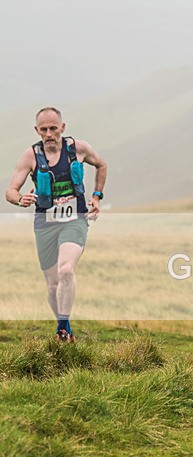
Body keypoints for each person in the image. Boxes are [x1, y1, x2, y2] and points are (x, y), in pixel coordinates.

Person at [5, 107, 107, 342]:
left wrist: (97, 196)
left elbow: (101, 165)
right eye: (44, 129)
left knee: (66, 270)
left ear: (62, 127)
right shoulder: (30, 156)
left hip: (75, 219)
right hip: (45, 224)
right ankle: (66, 328)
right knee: (52, 285)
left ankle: (61, 329)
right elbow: (10, 191)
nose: (49, 133)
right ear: (37, 131)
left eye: (53, 128)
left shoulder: (78, 148)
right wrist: (21, 199)